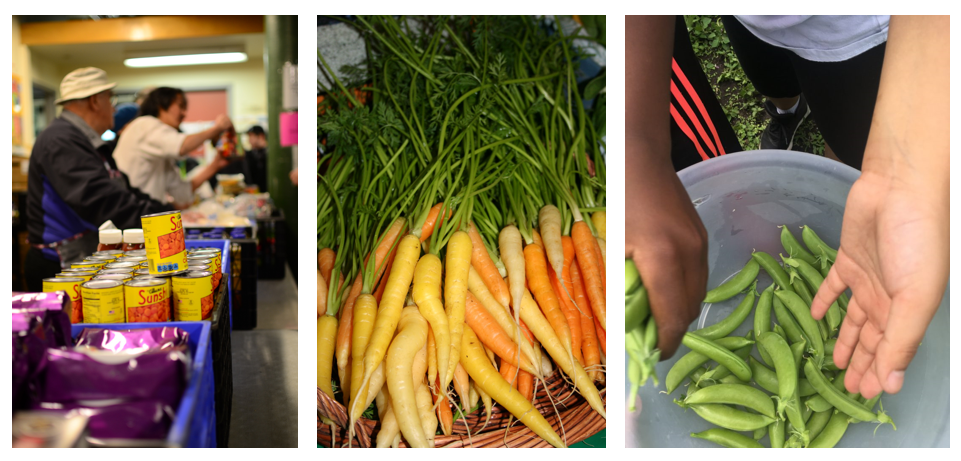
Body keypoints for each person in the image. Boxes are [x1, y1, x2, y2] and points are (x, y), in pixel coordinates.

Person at [626, 16, 948, 399]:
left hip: (853, 30)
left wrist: (903, 171)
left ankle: (835, 165)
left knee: (847, 147)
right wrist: (638, 147)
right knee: (772, 79)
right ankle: (788, 112)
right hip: (754, 18)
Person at [25, 67, 173, 290]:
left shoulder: (87, 141)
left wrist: (164, 212)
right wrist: (162, 226)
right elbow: (102, 201)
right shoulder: (61, 140)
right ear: (95, 101)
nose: (113, 108)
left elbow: (123, 190)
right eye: (110, 99)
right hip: (58, 267)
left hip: (79, 260)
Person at [113, 87, 233, 208]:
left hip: (145, 213)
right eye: (180, 106)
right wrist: (217, 128)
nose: (184, 113)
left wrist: (215, 165)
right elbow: (182, 145)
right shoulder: (145, 124)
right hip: (133, 213)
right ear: (161, 105)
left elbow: (182, 193)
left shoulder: (160, 148)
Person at [244, 125, 269, 192]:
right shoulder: (249, 154)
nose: (249, 140)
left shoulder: (269, 153)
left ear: (260, 136)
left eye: (251, 136)